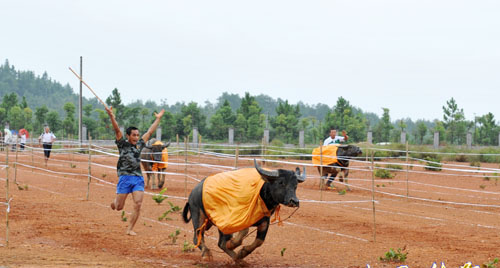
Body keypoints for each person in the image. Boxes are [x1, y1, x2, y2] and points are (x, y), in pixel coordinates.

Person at [106, 105, 165, 236]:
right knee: (119, 207)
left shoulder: (140, 144)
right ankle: (115, 203)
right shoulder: (122, 144)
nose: (136, 137)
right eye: (134, 135)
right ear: (128, 136)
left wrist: (158, 119)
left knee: (138, 204)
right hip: (125, 178)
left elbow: (149, 132)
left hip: (137, 178)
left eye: (137, 135)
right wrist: (111, 116)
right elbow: (116, 129)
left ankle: (130, 229)